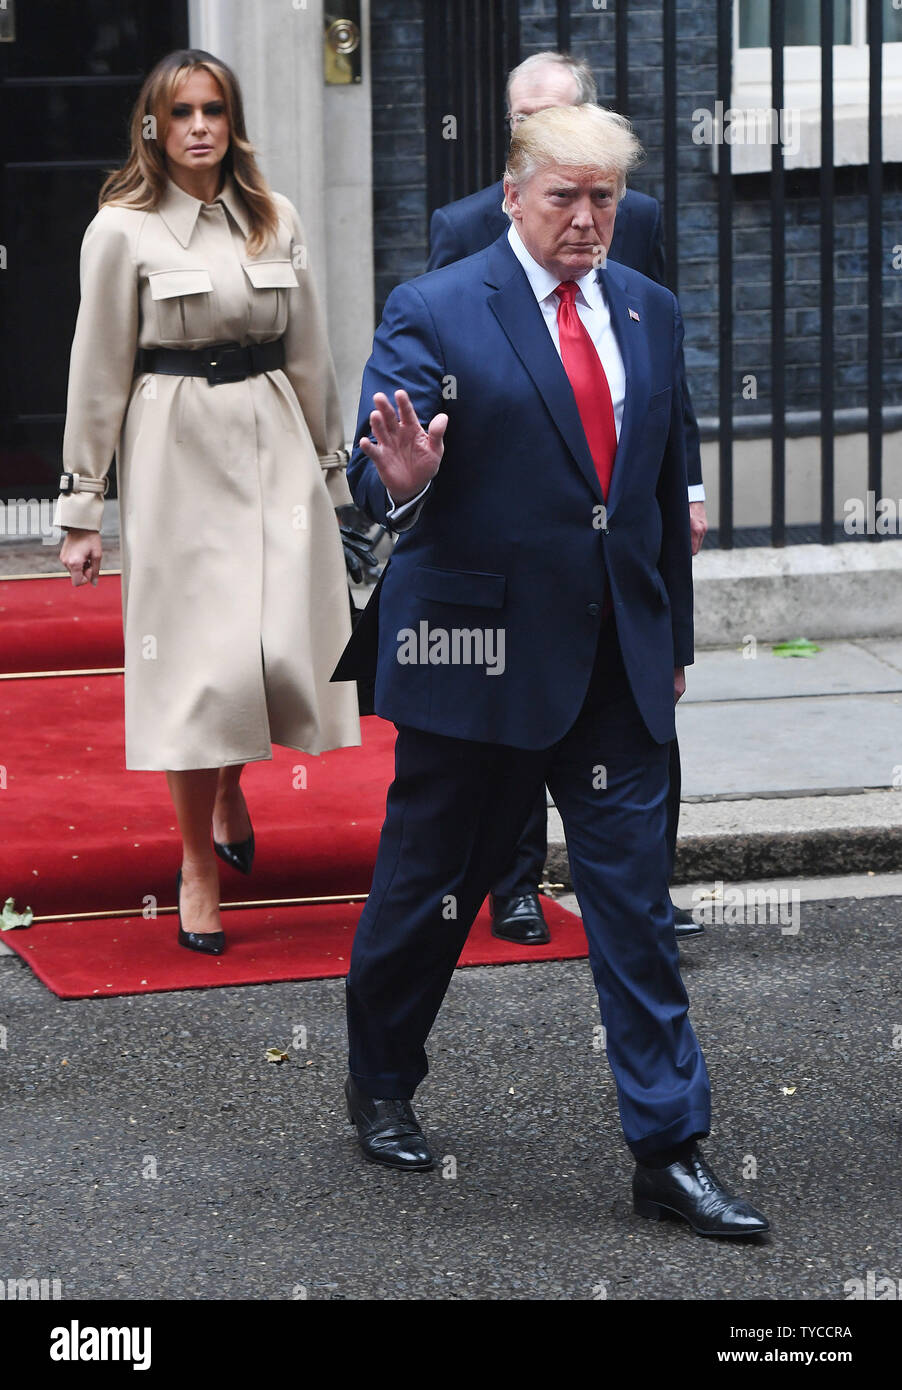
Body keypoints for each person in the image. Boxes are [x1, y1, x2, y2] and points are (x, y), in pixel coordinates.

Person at [333, 103, 768, 1240]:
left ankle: (668, 1149)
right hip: (473, 651)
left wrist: (667, 643)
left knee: (629, 909)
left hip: (614, 662)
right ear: (515, 193)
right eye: (564, 197)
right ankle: (380, 1075)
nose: (585, 220)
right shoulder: (435, 304)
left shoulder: (648, 310)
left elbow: (659, 497)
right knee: (433, 886)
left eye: (604, 199)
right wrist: (406, 474)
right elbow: (379, 478)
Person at [56, 49, 360, 954]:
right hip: (175, 448)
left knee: (270, 652)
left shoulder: (276, 218)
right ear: (154, 126)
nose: (198, 127)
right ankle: (196, 864)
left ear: (232, 123)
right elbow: (97, 369)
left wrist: (334, 472)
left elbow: (311, 351)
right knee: (201, 670)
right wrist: (82, 507)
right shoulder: (121, 230)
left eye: (214, 110)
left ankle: (231, 785)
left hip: (272, 441)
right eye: (181, 111)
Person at [428, 52, 706, 946]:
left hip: (616, 557)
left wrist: (685, 491)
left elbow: (662, 382)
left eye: (604, 197)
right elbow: (446, 385)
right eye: (525, 121)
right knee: (517, 731)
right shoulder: (462, 227)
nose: (587, 220)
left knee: (630, 754)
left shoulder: (638, 223)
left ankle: (641, 908)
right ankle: (513, 887)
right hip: (518, 557)